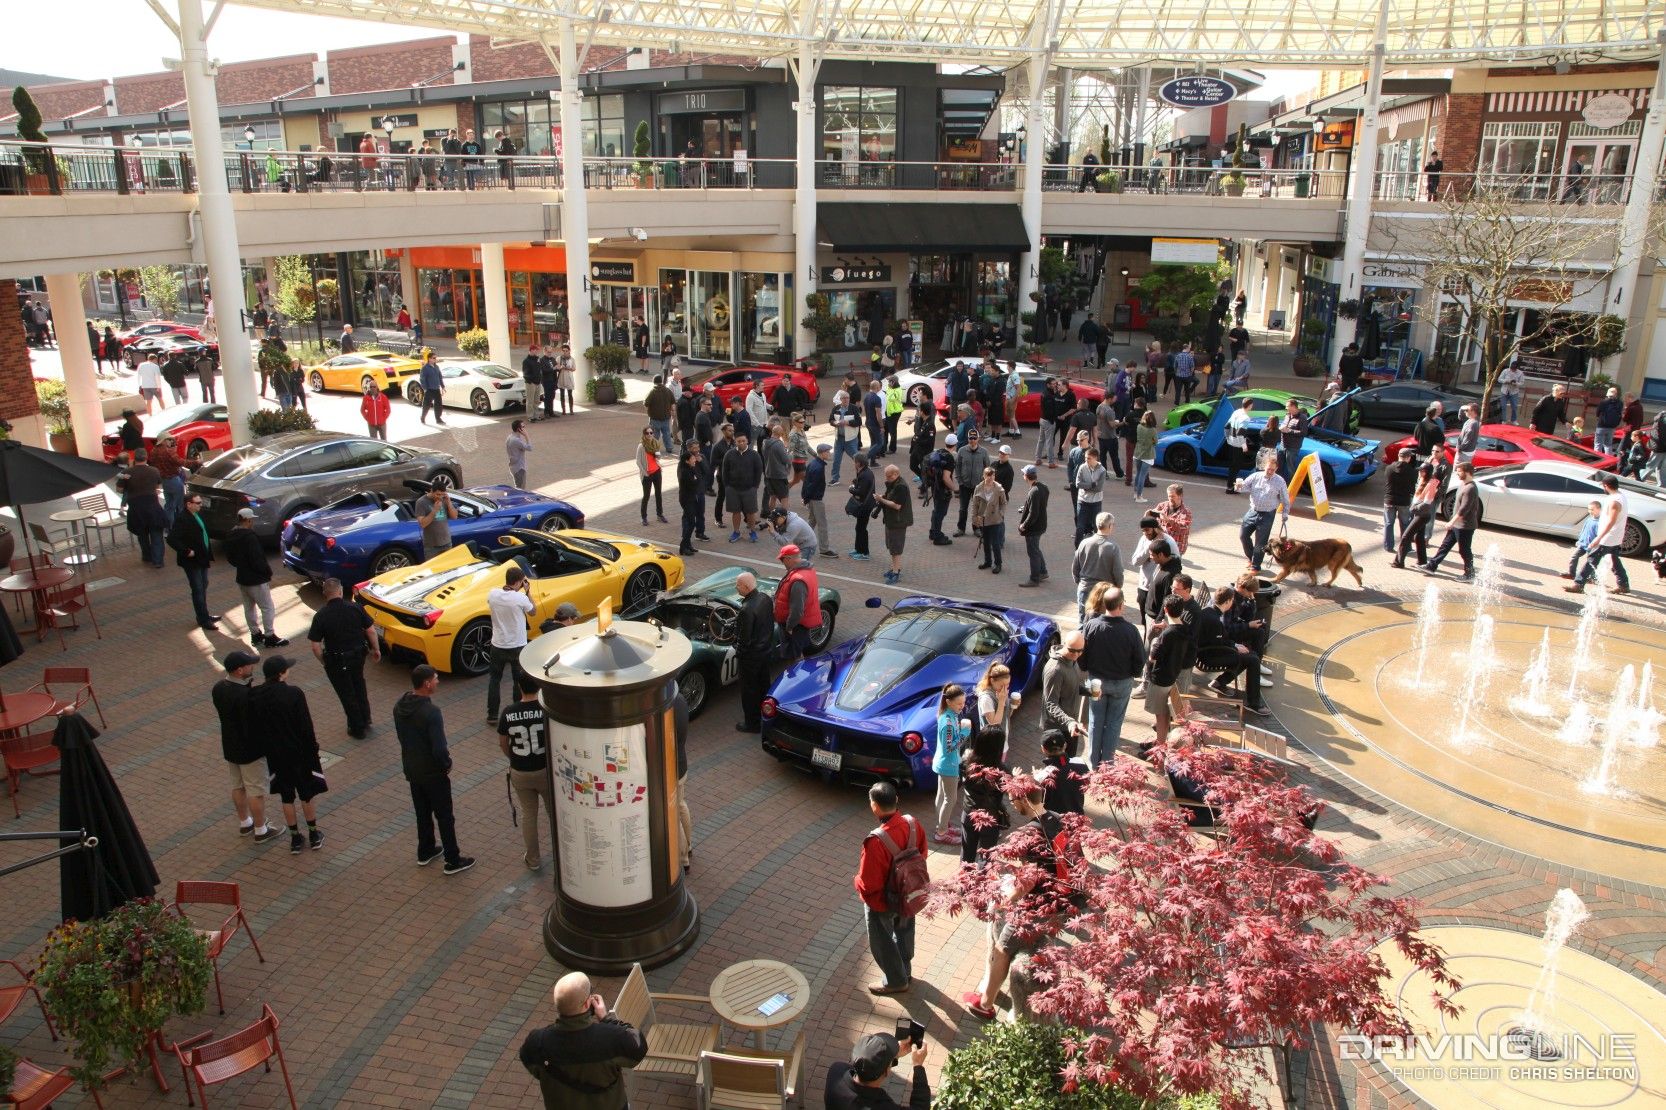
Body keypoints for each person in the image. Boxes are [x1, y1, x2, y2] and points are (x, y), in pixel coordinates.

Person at [519, 972, 648, 1110]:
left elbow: (530, 1063)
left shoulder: (537, 1042)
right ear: (587, 1004)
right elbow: (639, 1046)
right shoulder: (611, 1037)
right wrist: (606, 1019)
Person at [396, 665, 474, 874]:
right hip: (433, 773)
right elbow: (439, 748)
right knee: (445, 816)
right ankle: (453, 859)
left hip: (412, 769)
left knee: (422, 812)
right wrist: (446, 764)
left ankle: (425, 850)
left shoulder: (399, 706)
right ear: (427, 684)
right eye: (436, 678)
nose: (438, 681)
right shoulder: (431, 713)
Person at [855, 781, 928, 995]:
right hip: (909, 892)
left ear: (874, 806)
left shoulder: (875, 841)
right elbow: (922, 853)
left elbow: (869, 884)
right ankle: (905, 971)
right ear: (896, 800)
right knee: (905, 932)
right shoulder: (913, 823)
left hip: (882, 902)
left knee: (882, 941)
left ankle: (895, 981)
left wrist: (856, 881)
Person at [249, 656, 326, 854]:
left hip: (276, 755)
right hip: (300, 753)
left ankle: (295, 838)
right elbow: (306, 726)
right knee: (306, 793)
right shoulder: (294, 693)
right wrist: (313, 749)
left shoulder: (256, 696)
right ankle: (314, 834)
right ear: (281, 673)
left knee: (286, 796)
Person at [213, 651, 279, 842]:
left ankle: (245, 822)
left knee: (238, 786)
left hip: (231, 746)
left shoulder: (219, 688)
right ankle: (261, 830)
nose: (252, 667)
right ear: (240, 670)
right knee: (255, 791)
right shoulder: (246, 696)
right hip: (251, 750)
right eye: (249, 665)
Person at [308, 577, 380, 739]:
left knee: (346, 693)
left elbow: (315, 646)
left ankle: (357, 728)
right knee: (359, 685)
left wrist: (323, 661)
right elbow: (370, 631)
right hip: (358, 655)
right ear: (340, 591)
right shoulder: (355, 607)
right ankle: (366, 718)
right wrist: (376, 649)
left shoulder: (321, 616)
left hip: (337, 660)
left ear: (325, 593)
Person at [1080, 587, 1143, 766]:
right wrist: (1134, 674)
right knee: (1114, 724)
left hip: (1096, 682)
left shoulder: (1091, 626)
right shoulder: (1131, 630)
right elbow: (1140, 659)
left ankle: (1093, 763)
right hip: (1122, 683)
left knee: (1095, 721)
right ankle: (1107, 764)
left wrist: (1086, 668)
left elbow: (1083, 654)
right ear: (1121, 605)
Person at [498, 674, 555, 873]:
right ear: (538, 686)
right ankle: (561, 854)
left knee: (529, 815)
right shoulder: (546, 709)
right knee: (553, 813)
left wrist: (513, 758)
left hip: (520, 771)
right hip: (544, 770)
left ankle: (533, 859)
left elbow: (503, 743)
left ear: (519, 687)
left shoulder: (508, 712)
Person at [1198, 586, 1273, 716]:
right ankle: (1253, 703)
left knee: (1249, 656)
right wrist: (1234, 647)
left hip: (1211, 651)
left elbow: (1220, 639)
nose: (1233, 603)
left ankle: (1220, 682)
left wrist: (1235, 645)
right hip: (1209, 657)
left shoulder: (1209, 611)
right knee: (1252, 659)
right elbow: (1218, 643)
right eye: (1232, 601)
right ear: (1227, 601)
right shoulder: (1215, 621)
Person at [224, 507, 285, 649]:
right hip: (256, 579)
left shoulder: (231, 535)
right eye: (252, 520)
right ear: (248, 520)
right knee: (267, 607)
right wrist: (267, 572)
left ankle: (255, 634)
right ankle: (270, 636)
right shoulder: (250, 537)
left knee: (249, 607)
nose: (253, 522)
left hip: (242, 577)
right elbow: (257, 559)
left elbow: (230, 557)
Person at [825, 1031, 931, 1110]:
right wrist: (918, 1065)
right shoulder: (882, 1106)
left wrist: (893, 1057)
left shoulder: (836, 1071)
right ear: (886, 1072)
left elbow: (863, 1066)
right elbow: (921, 1107)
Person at [1565, 472, 1631, 595]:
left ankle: (1578, 584)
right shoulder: (1620, 496)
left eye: (1603, 486)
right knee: (1614, 561)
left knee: (1591, 560)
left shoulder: (1615, 501)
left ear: (1606, 486)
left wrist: (1598, 538)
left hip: (1607, 538)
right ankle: (1623, 584)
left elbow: (1611, 521)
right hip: (1614, 537)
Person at [486, 565, 536, 724]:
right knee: (517, 681)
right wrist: (528, 592)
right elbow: (533, 611)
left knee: (494, 680)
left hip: (497, 645)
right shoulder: (520, 598)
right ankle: (517, 712)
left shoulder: (493, 594)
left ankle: (492, 715)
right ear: (519, 582)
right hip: (517, 646)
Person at [168, 490, 219, 631]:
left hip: (201, 558)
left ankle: (205, 615)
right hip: (192, 561)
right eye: (198, 503)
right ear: (188, 504)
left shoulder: (196, 515)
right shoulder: (182, 518)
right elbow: (172, 539)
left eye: (200, 502)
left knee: (203, 585)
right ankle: (203, 619)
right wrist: (186, 551)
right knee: (198, 589)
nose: (200, 505)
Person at [1422, 462, 1480, 582]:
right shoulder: (1463, 484)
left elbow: (1464, 509)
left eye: (1459, 471)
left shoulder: (1470, 488)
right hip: (1456, 524)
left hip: (1465, 526)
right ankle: (1431, 567)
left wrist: (1451, 522)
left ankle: (1470, 574)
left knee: (1464, 550)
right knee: (1445, 546)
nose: (1457, 473)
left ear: (1467, 472)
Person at [734, 572, 774, 732]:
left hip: (750, 658)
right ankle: (767, 713)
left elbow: (744, 639)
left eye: (738, 585)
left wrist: (738, 652)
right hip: (765, 651)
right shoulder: (765, 598)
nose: (736, 587)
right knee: (764, 685)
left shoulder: (746, 610)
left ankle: (752, 723)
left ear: (746, 587)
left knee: (749, 690)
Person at [1238, 450, 1290, 572]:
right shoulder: (1255, 476)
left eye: (1273, 470)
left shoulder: (1280, 481)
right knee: (1243, 535)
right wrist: (1238, 486)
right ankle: (1251, 557)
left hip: (1268, 514)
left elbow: (1285, 499)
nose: (1270, 471)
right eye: (1268, 469)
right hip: (1253, 511)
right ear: (1264, 467)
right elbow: (1244, 487)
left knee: (1260, 542)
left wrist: (1285, 514)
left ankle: (1256, 566)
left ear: (1276, 469)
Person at [932, 684, 970, 845]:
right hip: (948, 765)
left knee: (942, 796)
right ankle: (941, 833)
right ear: (948, 702)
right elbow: (949, 748)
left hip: (942, 763)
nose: (962, 706)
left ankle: (943, 824)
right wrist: (964, 733)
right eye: (959, 703)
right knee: (950, 799)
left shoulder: (949, 715)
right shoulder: (948, 722)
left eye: (963, 702)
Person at [1071, 511, 1123, 626]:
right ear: (1110, 526)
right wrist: (1117, 588)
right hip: (1104, 592)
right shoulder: (1113, 547)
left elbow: (1075, 567)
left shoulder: (1084, 543)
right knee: (1102, 624)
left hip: (1085, 588)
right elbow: (1118, 573)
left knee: (1083, 623)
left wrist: (1080, 582)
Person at [773, 544, 820, 663]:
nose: (782, 563)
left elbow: (797, 610)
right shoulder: (808, 570)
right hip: (800, 624)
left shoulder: (798, 580)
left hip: (795, 626)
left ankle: (795, 673)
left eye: (782, 560)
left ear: (789, 559)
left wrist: (789, 627)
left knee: (794, 656)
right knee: (797, 652)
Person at [1392, 461, 1442, 569]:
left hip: (1422, 515)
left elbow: (1427, 502)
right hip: (1420, 514)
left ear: (1426, 472)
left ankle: (1398, 562)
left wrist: (1413, 508)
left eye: (1421, 471)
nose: (1419, 473)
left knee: (1406, 536)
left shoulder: (1431, 484)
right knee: (1418, 538)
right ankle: (1422, 561)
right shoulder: (1423, 480)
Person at [124, 448, 167, 567]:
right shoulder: (154, 470)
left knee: (142, 534)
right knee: (156, 533)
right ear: (146, 457)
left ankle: (147, 556)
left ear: (134, 458)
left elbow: (119, 488)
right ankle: (158, 560)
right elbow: (158, 485)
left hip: (136, 508)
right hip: (152, 506)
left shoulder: (127, 472)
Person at [722, 431, 763, 542]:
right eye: (739, 441)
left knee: (751, 512)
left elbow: (758, 471)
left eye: (743, 441)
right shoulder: (729, 454)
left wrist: (755, 486)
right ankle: (736, 532)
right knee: (735, 512)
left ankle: (752, 532)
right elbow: (724, 471)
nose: (741, 443)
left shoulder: (754, 455)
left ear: (747, 441)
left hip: (749, 489)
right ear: (735, 442)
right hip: (733, 489)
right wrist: (727, 486)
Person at [1016, 464, 1050, 587]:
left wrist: (1024, 525)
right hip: (1041, 524)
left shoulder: (1033, 492)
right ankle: (1043, 571)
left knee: (1033, 552)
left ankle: (1034, 579)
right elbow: (1038, 506)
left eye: (1023, 474)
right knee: (1036, 549)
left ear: (1026, 476)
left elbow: (1033, 513)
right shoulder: (1043, 487)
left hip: (1033, 528)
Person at [970, 466, 1008, 574]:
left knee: (995, 543)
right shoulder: (978, 488)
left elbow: (1004, 503)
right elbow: (975, 504)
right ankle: (988, 561)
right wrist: (974, 518)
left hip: (995, 520)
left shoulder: (999, 488)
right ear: (984, 475)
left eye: (992, 475)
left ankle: (998, 563)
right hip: (983, 519)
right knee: (986, 542)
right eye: (988, 475)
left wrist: (1001, 514)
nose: (990, 477)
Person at [953, 429, 990, 537]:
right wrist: (960, 481)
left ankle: (977, 528)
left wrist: (984, 483)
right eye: (970, 438)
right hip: (964, 485)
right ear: (968, 439)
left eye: (974, 438)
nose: (972, 440)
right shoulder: (961, 451)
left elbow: (987, 468)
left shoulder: (984, 452)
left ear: (978, 439)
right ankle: (961, 528)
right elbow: (957, 466)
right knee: (962, 509)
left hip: (978, 487)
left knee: (977, 509)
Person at [676, 439, 708, 556]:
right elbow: (693, 481)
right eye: (694, 448)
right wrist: (696, 477)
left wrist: (700, 463)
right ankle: (683, 545)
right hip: (688, 497)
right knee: (689, 521)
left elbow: (705, 472)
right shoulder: (684, 468)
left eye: (697, 447)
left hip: (696, 494)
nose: (696, 450)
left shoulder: (697, 460)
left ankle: (689, 543)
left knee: (698, 515)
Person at [1562, 501, 1604, 583]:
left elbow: (1600, 535)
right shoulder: (1589, 519)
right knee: (1574, 557)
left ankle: (1592, 577)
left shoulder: (1600, 522)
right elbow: (1584, 531)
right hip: (1583, 544)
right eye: (1589, 509)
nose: (1590, 511)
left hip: (1592, 546)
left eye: (1592, 509)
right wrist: (1580, 540)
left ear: (1599, 509)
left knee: (1591, 562)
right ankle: (1572, 573)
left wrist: (1595, 544)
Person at [414, 482, 458, 560]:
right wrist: (435, 510)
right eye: (438, 494)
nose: (440, 497)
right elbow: (422, 524)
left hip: (446, 542)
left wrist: (449, 503)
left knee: (448, 566)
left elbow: (454, 517)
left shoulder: (444, 499)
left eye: (442, 494)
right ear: (431, 491)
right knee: (433, 567)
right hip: (431, 546)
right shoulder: (421, 502)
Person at [828, 390, 863, 484]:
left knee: (857, 460)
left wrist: (847, 422)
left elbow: (859, 422)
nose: (846, 400)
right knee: (836, 460)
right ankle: (835, 479)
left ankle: (860, 478)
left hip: (851, 439)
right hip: (839, 439)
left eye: (847, 398)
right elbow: (830, 420)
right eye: (844, 398)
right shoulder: (835, 408)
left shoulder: (854, 408)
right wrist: (835, 423)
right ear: (840, 399)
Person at [634, 427, 666, 526]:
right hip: (647, 474)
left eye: (651, 433)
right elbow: (638, 461)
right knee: (646, 496)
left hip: (657, 471)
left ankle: (660, 514)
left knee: (658, 494)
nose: (649, 435)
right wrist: (645, 473)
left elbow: (658, 457)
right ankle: (644, 517)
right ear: (644, 434)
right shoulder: (641, 446)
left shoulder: (655, 443)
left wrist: (658, 457)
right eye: (647, 433)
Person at [760, 421, 793, 515]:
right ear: (780, 434)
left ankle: (772, 516)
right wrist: (790, 454)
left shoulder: (765, 443)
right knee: (784, 498)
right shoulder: (779, 444)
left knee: (773, 497)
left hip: (769, 473)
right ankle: (784, 517)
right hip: (779, 475)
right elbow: (786, 460)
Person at [1278, 397, 1309, 482]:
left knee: (1290, 468)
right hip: (1283, 445)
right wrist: (1281, 428)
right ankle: (1278, 484)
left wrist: (1289, 431)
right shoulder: (1287, 415)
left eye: (1287, 406)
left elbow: (1303, 433)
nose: (1286, 408)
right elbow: (1283, 424)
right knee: (1279, 466)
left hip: (1293, 447)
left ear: (1294, 407)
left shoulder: (1302, 418)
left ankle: (1292, 486)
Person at [1132, 411, 1158, 503]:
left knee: (1138, 474)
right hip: (1148, 454)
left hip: (1138, 452)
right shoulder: (1153, 430)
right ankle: (1139, 496)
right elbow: (1155, 442)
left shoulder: (1139, 426)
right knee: (1142, 475)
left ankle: (1136, 493)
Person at [1593, 387, 1623, 456]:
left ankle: (1597, 457)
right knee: (1608, 445)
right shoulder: (1620, 403)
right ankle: (1608, 459)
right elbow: (1620, 413)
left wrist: (1599, 417)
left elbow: (1597, 413)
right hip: (1612, 426)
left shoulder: (1603, 402)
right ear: (1616, 394)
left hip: (1601, 426)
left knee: (1598, 444)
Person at [417, 352, 446, 425]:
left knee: (438, 405)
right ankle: (423, 417)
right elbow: (422, 379)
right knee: (426, 405)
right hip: (429, 390)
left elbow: (440, 377)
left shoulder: (436, 367)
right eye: (434, 358)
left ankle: (438, 419)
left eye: (436, 358)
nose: (435, 359)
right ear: (429, 359)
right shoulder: (425, 368)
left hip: (437, 389)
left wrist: (442, 386)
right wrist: (425, 388)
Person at [522, 344, 544, 421]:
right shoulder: (526, 361)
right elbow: (525, 373)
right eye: (535, 350)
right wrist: (530, 381)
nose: (537, 351)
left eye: (537, 350)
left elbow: (539, 370)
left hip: (538, 382)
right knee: (530, 401)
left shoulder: (537, 359)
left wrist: (539, 379)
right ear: (531, 350)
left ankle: (536, 415)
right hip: (530, 383)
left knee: (537, 400)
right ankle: (530, 416)